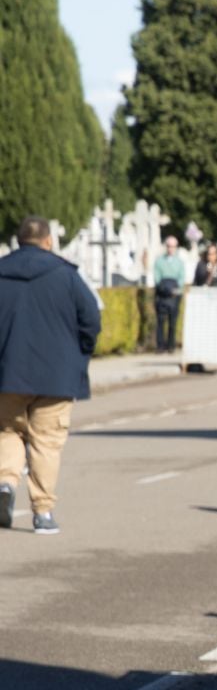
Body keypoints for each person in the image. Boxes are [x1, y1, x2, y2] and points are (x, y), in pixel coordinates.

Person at [0, 216, 101, 535]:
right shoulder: (66, 276)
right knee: (46, 442)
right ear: (48, 241)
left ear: (18, 241)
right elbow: (91, 321)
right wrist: (79, 354)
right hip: (56, 374)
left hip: (7, 372)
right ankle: (42, 512)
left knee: (7, 432)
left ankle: (5, 482)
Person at [152, 235, 187, 353]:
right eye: (168, 246)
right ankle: (160, 346)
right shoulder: (159, 261)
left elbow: (182, 278)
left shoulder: (179, 262)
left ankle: (171, 345)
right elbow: (157, 277)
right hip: (162, 294)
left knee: (173, 322)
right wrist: (164, 289)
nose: (170, 248)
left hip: (174, 295)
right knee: (161, 321)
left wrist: (175, 291)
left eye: (173, 246)